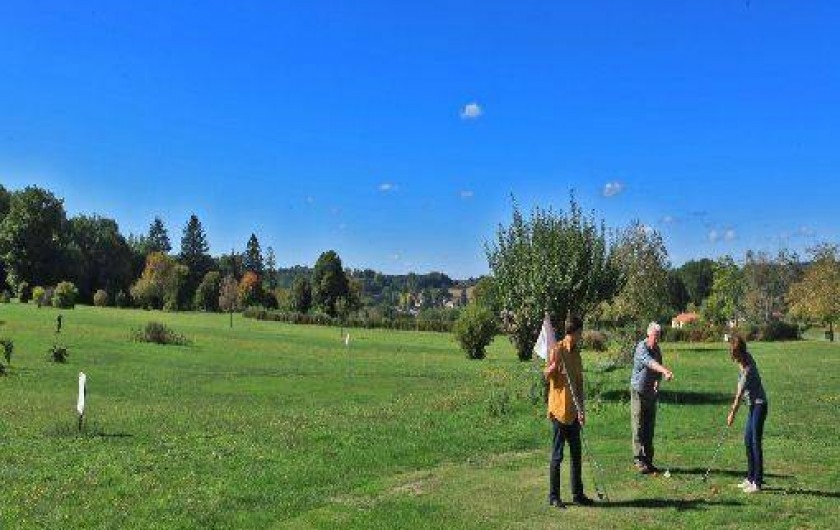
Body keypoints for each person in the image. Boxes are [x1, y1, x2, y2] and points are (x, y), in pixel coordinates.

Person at [544, 315, 594, 508]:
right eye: (580, 332)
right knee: (557, 456)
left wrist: (582, 409)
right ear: (573, 332)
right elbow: (546, 375)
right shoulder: (557, 349)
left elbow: (579, 384)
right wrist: (553, 368)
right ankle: (554, 496)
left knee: (576, 455)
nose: (581, 336)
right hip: (558, 412)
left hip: (573, 412)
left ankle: (578, 494)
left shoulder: (576, 354)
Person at [630, 321, 674, 474]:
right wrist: (665, 371)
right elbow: (650, 363)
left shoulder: (657, 350)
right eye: (655, 336)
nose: (656, 339)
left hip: (650, 393)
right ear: (648, 334)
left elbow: (656, 370)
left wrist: (658, 381)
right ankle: (639, 460)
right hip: (638, 392)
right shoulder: (641, 348)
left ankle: (648, 461)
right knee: (638, 426)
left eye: (658, 336)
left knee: (649, 427)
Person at [726, 334, 768, 494]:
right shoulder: (746, 357)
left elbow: (738, 397)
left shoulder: (748, 371)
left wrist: (731, 415)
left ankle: (757, 482)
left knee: (755, 442)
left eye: (735, 356)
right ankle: (750, 478)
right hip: (753, 406)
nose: (734, 359)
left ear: (741, 354)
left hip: (759, 405)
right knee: (747, 440)